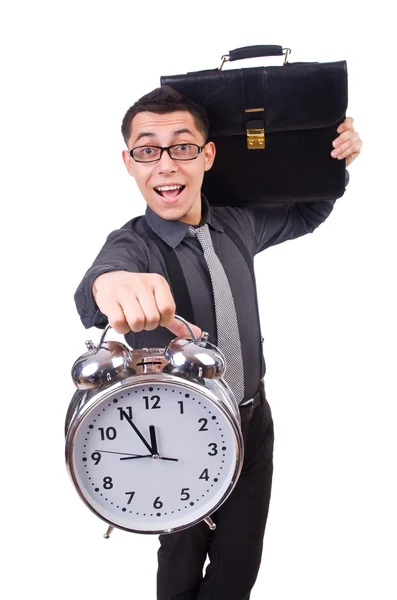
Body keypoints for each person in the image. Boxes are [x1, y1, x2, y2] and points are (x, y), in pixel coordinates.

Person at [74, 85, 362, 600]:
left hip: (253, 420)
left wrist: (333, 158)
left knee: (238, 570)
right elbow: (97, 286)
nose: (165, 165)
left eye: (182, 147)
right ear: (129, 163)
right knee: (180, 568)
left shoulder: (236, 222)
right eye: (148, 150)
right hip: (175, 441)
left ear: (207, 155)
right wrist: (110, 286)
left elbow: (308, 213)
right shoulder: (132, 242)